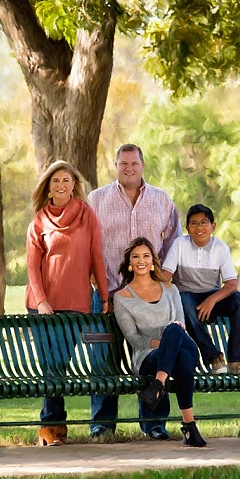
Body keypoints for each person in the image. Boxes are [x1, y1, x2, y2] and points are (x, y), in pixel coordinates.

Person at [88, 143, 183, 440]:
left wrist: (164, 276)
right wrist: (99, 286)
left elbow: (174, 242)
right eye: (123, 163)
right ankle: (102, 424)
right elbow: (87, 246)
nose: (128, 168)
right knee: (104, 359)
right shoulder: (96, 199)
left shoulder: (161, 200)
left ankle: (154, 423)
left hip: (149, 295)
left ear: (143, 166)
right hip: (107, 293)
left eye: (134, 163)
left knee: (153, 353)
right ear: (115, 166)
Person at [25, 160, 110, 447]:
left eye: (66, 180)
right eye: (55, 181)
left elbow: (97, 257)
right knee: (51, 366)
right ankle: (53, 426)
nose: (61, 185)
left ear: (74, 184)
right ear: (47, 187)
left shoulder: (87, 215)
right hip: (42, 305)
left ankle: (51, 426)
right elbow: (32, 267)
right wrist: (42, 301)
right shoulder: (38, 221)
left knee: (58, 364)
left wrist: (105, 294)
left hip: (77, 302)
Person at [113, 237, 207, 447]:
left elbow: (181, 325)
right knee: (181, 359)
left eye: (146, 256)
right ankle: (189, 426)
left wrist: (168, 341)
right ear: (129, 262)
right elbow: (134, 339)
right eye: (136, 256)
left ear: (153, 261)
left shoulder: (170, 289)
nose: (141, 260)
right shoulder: (121, 298)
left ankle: (157, 385)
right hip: (148, 357)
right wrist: (163, 345)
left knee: (174, 329)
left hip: (183, 344)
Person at [161, 204, 240, 375]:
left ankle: (237, 361)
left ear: (213, 226)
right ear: (187, 228)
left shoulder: (220, 248)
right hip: (187, 297)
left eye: (204, 222)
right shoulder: (179, 244)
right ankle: (214, 358)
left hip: (212, 297)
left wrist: (211, 300)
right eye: (194, 223)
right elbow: (165, 275)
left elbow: (231, 284)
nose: (199, 227)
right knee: (183, 301)